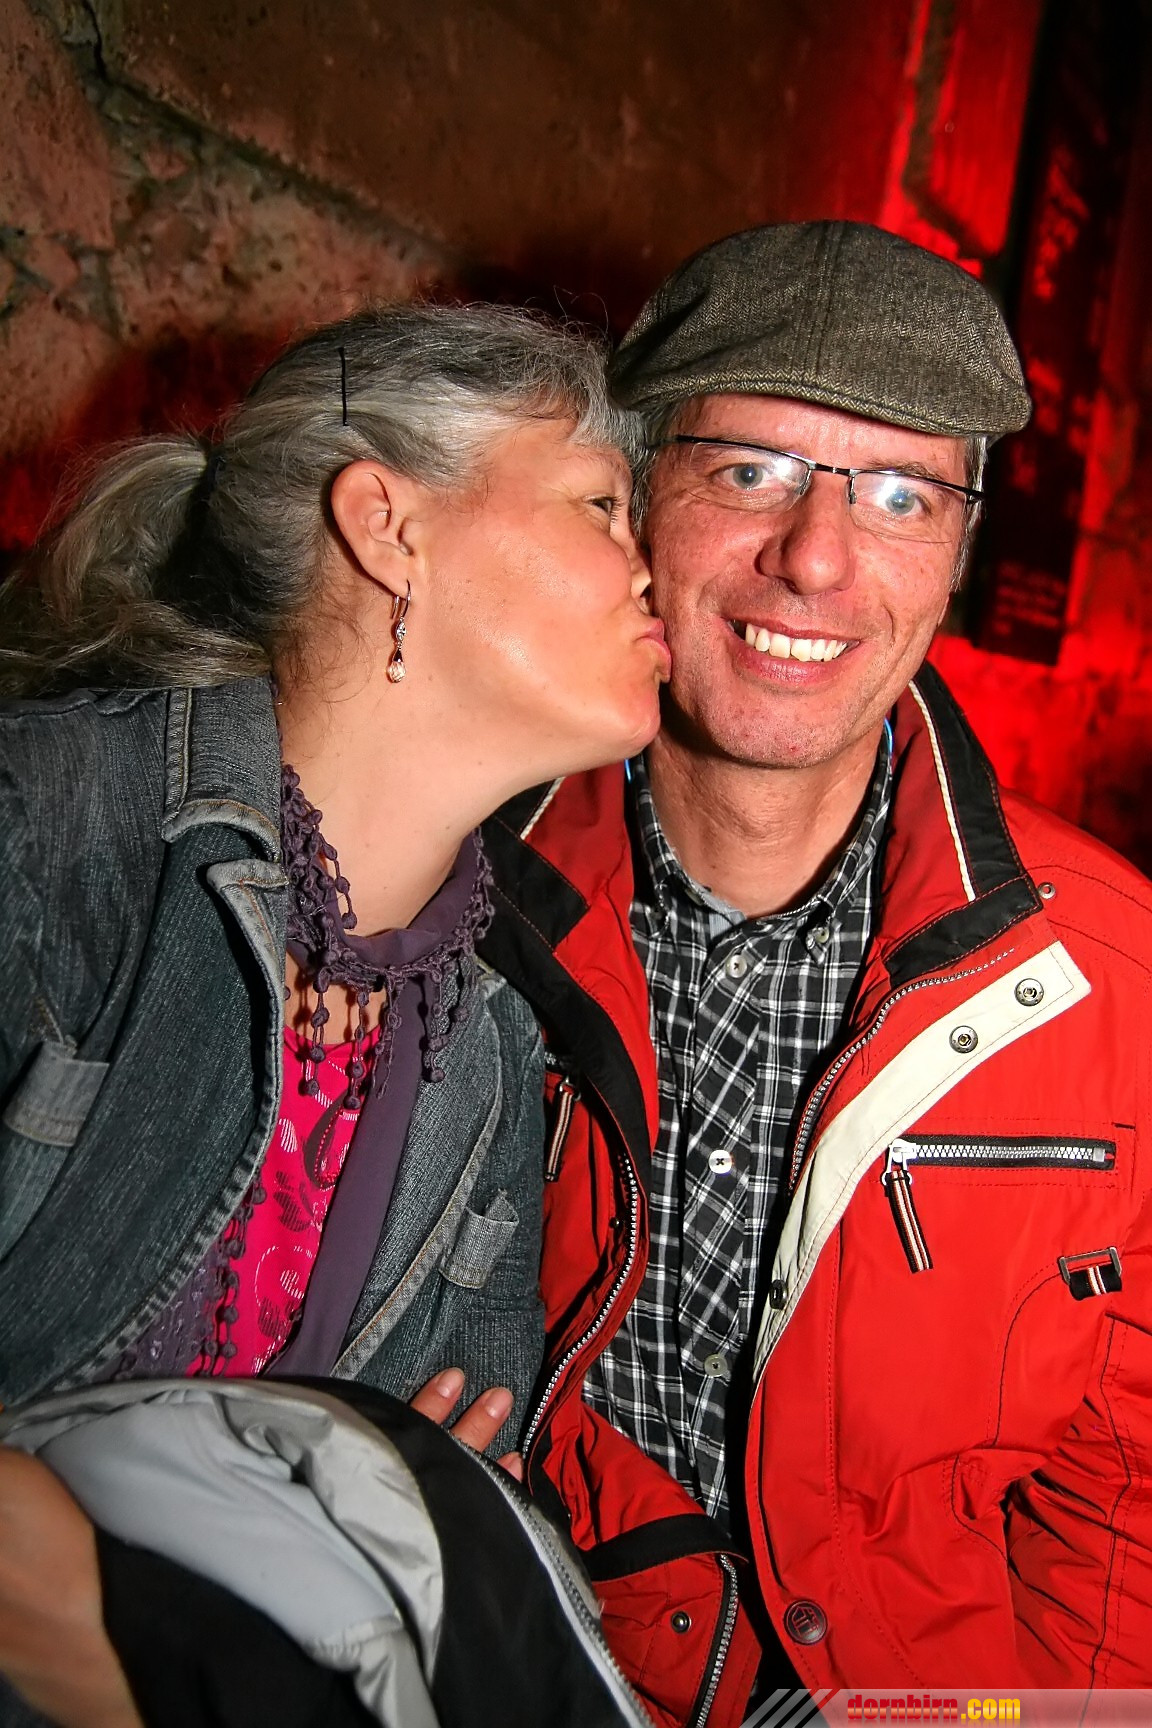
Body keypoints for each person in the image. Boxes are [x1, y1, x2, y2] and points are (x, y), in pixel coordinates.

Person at [471, 222, 1152, 1721]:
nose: (817, 559)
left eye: (902, 494)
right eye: (748, 471)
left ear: (960, 554)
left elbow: (1127, 1514)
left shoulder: (1109, 978)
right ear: (633, 499)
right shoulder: (442, 890)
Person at [0, 302, 669, 1726]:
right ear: (388, 526)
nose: (651, 563)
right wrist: (114, 1622)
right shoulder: (47, 834)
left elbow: (449, 1485)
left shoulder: (495, 1048)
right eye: (602, 504)